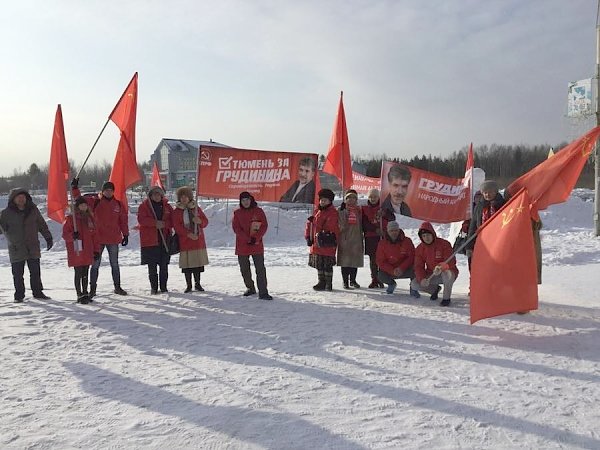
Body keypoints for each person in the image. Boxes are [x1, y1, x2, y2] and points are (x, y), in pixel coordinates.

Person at [71, 178, 129, 297]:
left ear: (113, 192)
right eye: (106, 190)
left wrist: (126, 234)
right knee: (95, 264)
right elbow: (80, 200)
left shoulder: (118, 204)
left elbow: (123, 220)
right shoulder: (95, 202)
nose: (108, 192)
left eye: (111, 190)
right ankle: (93, 289)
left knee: (115, 264)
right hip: (98, 239)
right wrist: (75, 188)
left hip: (113, 238)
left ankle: (117, 287)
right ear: (102, 191)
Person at [0, 187, 53, 302]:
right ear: (13, 199)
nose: (21, 199)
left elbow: (41, 224)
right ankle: (19, 295)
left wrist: (48, 237)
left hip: (32, 246)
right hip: (16, 247)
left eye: (23, 197)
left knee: (35, 272)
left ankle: (38, 292)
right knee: (18, 274)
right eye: (18, 197)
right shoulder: (6, 213)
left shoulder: (33, 210)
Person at [232, 191, 272, 300]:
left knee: (260, 269)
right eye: (243, 200)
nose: (245, 202)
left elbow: (264, 225)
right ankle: (250, 287)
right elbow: (236, 229)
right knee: (244, 269)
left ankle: (263, 292)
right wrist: (248, 238)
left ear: (251, 200)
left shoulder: (258, 211)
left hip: (256, 244)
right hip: (242, 245)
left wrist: (256, 238)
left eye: (247, 200)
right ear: (240, 202)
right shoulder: (237, 213)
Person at [410, 222, 458, 307]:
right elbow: (418, 266)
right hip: (432, 274)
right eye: (423, 236)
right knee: (414, 284)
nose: (426, 238)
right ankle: (434, 290)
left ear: (433, 234)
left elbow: (451, 261)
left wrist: (440, 267)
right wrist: (422, 279)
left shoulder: (444, 244)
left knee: (446, 274)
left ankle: (446, 298)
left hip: (448, 272)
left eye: (428, 235)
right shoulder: (420, 249)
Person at [62, 197, 100, 304]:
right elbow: (65, 235)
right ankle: (79, 294)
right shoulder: (71, 219)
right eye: (81, 205)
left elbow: (95, 236)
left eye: (85, 205)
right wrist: (72, 236)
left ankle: (85, 292)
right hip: (77, 250)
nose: (83, 207)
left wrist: (96, 250)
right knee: (78, 272)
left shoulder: (90, 218)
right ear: (77, 206)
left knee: (85, 272)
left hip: (88, 250)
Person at [138, 186, 174, 294]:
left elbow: (173, 221)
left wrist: (164, 224)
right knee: (152, 266)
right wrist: (154, 223)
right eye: (154, 194)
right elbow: (141, 219)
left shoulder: (167, 207)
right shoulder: (144, 206)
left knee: (164, 266)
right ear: (151, 195)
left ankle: (164, 287)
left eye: (159, 194)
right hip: (150, 241)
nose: (157, 196)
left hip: (164, 240)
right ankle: (154, 287)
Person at [172, 186, 209, 293]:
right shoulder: (177, 211)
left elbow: (205, 222)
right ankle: (189, 285)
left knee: (197, 264)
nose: (184, 199)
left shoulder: (196, 208)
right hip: (185, 241)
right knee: (187, 265)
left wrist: (200, 221)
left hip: (197, 241)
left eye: (186, 197)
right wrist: (188, 234)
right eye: (182, 197)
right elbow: (177, 226)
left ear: (189, 197)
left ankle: (198, 284)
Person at [307, 188, 339, 291]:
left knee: (327, 264)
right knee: (319, 264)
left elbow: (331, 226)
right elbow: (309, 225)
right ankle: (321, 282)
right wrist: (308, 236)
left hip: (327, 242)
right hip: (316, 242)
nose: (323, 202)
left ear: (330, 201)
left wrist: (318, 228)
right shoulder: (316, 211)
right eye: (321, 200)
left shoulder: (332, 212)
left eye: (325, 200)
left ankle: (328, 283)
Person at [465, 180, 506, 258]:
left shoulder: (503, 204)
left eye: (490, 192)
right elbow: (473, 226)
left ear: (496, 192)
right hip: (483, 241)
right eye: (485, 192)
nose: (487, 194)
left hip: (499, 240)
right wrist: (469, 246)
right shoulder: (479, 206)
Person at [376, 220, 415, 295]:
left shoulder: (407, 241)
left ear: (399, 230)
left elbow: (411, 257)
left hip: (405, 269)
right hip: (391, 270)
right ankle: (391, 284)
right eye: (391, 231)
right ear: (387, 231)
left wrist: (401, 268)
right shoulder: (382, 243)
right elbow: (380, 261)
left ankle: (413, 288)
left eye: (396, 230)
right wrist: (392, 270)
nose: (394, 232)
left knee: (416, 269)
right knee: (380, 275)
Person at [337, 189, 364, 289]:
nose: (351, 200)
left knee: (354, 261)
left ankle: (353, 280)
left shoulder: (359, 210)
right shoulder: (341, 210)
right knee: (345, 261)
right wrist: (344, 213)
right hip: (345, 239)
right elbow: (341, 225)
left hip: (356, 239)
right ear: (345, 199)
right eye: (349, 198)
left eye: (353, 198)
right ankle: (345, 281)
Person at [362, 188, 384, 288]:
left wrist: (385, 213)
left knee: (382, 258)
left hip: (382, 237)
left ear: (378, 197)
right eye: (371, 197)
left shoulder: (383, 207)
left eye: (375, 196)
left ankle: (382, 278)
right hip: (371, 237)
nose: (373, 199)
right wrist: (375, 230)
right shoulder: (365, 209)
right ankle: (374, 278)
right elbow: (364, 223)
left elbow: (392, 218)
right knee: (373, 259)